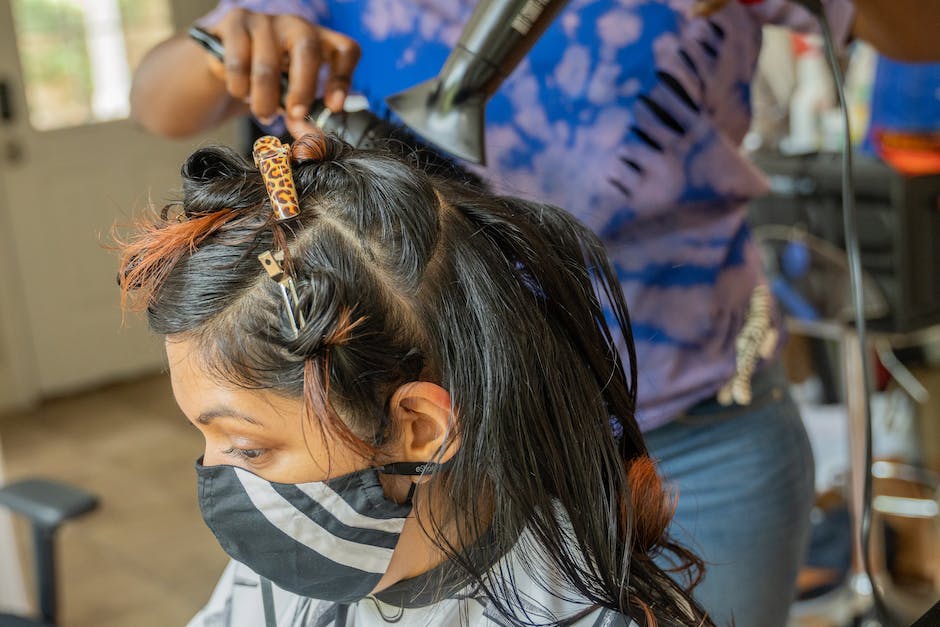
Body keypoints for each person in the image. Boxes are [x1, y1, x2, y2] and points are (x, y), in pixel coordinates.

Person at [129, 1, 940, 624]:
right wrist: (225, 41)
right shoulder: (302, 535)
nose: (217, 470)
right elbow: (159, 98)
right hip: (427, 455)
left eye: (235, 442)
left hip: (693, 420)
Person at [117, 129, 712, 626]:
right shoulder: (296, 541)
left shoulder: (586, 611)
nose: (219, 477)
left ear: (420, 428)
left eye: (248, 447)